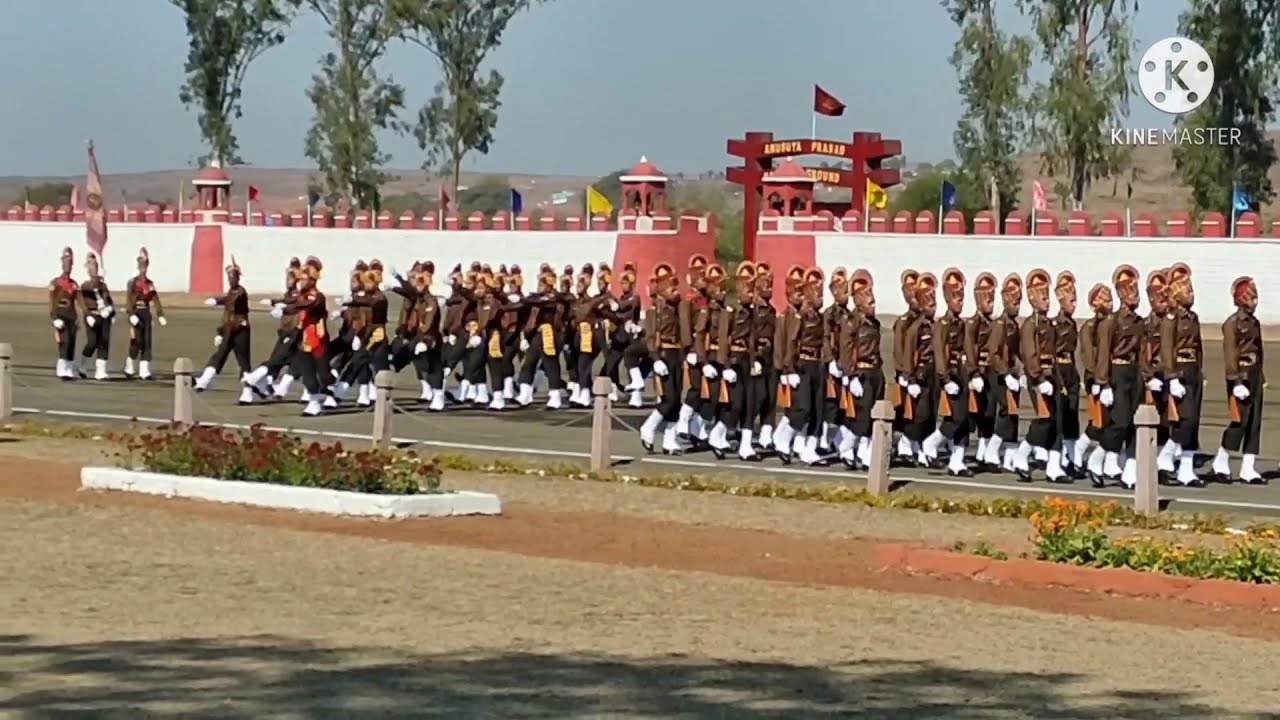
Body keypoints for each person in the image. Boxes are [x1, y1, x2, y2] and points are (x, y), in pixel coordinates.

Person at [1096, 265, 1145, 488]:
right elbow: (1104, 352)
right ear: (1121, 294)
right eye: (1129, 290)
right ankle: (1098, 458)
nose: (1135, 294)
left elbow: (1142, 351)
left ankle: (1130, 470)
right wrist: (1103, 383)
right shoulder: (1111, 322)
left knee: (1135, 423)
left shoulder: (1139, 322)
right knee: (1120, 421)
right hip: (1116, 372)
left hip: (1134, 374)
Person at [1213, 276, 1265, 484]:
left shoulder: (1255, 323)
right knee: (1239, 421)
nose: (1255, 301)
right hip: (1240, 376)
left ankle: (1248, 467)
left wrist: (1260, 375)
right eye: (1251, 297)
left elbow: (1258, 350)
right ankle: (1222, 458)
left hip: (1254, 374)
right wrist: (1235, 381)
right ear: (1241, 299)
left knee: (1254, 422)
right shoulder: (1232, 324)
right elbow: (1230, 353)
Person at [1015, 269, 1064, 482]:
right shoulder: (1030, 324)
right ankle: (1021, 454)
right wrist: (1038, 378)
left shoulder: (1047, 323)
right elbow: (1029, 352)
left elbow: (1052, 353)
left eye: (1048, 298)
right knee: (1045, 419)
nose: (1047, 302)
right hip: (1040, 379)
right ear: (1033, 300)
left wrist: (1058, 381)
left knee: (1056, 422)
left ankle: (1054, 466)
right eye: (1043, 298)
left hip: (1052, 376)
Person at [638, 263, 690, 454]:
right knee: (668, 398)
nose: (674, 289)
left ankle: (670, 439)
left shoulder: (678, 307)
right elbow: (650, 336)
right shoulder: (654, 310)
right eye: (670, 286)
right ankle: (648, 427)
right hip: (664, 354)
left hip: (677, 353)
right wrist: (655, 358)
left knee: (677, 400)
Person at [1161, 264, 1204, 487]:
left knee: (1194, 421)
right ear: (1177, 295)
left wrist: (1199, 370)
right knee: (1185, 421)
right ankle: (1166, 456)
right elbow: (1167, 348)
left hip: (1193, 372)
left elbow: (1198, 347)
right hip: (1179, 372)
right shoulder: (1171, 319)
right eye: (1188, 291)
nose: (1192, 294)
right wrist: (1172, 376)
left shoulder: (1193, 317)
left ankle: (1186, 469)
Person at [838, 269, 884, 470]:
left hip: (875, 371)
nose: (873, 305)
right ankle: (846, 448)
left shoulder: (875, 323)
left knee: (873, 413)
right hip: (860, 372)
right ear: (858, 301)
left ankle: (866, 454)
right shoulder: (851, 322)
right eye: (869, 302)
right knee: (860, 414)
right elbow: (846, 349)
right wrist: (851, 375)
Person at [931, 268, 970, 476]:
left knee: (965, 418)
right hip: (949, 375)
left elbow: (964, 349)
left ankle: (957, 461)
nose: (959, 302)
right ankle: (933, 442)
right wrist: (945, 378)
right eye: (955, 298)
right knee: (956, 416)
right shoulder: (942, 324)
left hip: (961, 373)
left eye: (961, 298)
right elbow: (939, 351)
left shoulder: (961, 324)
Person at [984, 274, 1024, 474]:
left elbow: (1017, 352)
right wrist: (1006, 374)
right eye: (1014, 302)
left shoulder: (1014, 325)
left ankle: (1009, 455)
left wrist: (1021, 371)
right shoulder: (1000, 324)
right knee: (1006, 409)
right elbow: (994, 352)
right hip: (998, 372)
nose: (1016, 306)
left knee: (1014, 413)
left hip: (1011, 372)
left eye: (1019, 303)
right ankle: (992, 449)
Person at [195, 257, 252, 393]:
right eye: (229, 277)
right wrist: (221, 332)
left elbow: (231, 302)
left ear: (237, 278)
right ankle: (203, 381)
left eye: (233, 277)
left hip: (240, 331)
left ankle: (248, 392)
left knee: (243, 361)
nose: (230, 280)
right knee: (219, 355)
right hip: (229, 329)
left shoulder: (240, 292)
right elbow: (226, 316)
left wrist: (217, 300)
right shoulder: (231, 292)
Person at [900, 273, 939, 467]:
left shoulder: (935, 326)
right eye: (929, 304)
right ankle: (906, 443)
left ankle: (923, 447)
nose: (933, 307)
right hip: (919, 374)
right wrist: (908, 377)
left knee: (931, 413)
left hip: (933, 375)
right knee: (919, 413)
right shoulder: (915, 328)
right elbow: (907, 351)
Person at [1078, 283, 1114, 487]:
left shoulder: (1110, 324)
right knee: (1099, 419)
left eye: (1109, 299)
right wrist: (1096, 380)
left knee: (1105, 420)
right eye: (1103, 300)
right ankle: (1080, 452)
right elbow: (1089, 356)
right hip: (1096, 379)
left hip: (1107, 377)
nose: (1107, 303)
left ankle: (1085, 453)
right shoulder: (1089, 328)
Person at [724, 262, 758, 460]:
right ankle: (720, 433)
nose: (749, 290)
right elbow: (724, 336)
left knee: (750, 403)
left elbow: (752, 338)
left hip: (747, 360)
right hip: (734, 359)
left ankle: (745, 445)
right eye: (745, 284)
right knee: (736, 404)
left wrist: (754, 360)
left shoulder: (752, 311)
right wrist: (726, 364)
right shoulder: (731, 309)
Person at [1050, 271, 1082, 479]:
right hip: (1058, 370)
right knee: (1058, 418)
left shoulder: (1072, 324)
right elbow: (1051, 351)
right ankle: (1055, 462)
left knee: (1072, 417)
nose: (1075, 304)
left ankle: (1070, 459)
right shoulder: (1055, 324)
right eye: (1071, 300)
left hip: (1071, 370)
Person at [965, 273, 998, 471]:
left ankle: (983, 453)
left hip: (989, 372)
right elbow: (969, 347)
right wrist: (973, 373)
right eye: (987, 298)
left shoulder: (991, 324)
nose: (991, 302)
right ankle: (956, 450)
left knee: (988, 413)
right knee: (970, 416)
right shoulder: (972, 323)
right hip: (976, 373)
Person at [821, 268, 853, 454]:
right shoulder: (829, 314)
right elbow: (826, 338)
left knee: (843, 404)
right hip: (832, 364)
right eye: (843, 291)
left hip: (845, 363)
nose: (846, 295)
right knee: (830, 403)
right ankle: (824, 439)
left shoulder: (849, 315)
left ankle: (838, 440)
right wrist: (830, 360)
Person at [891, 269, 921, 463]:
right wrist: (903, 372)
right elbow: (899, 349)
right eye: (909, 288)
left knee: (920, 412)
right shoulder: (903, 321)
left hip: (920, 372)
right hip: (906, 373)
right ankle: (903, 446)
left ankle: (913, 444)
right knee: (904, 412)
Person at [124, 248, 167, 380]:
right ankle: (129, 366)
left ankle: (144, 370)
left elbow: (155, 299)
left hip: (146, 314)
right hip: (136, 312)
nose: (143, 268)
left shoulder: (150, 284)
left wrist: (160, 314)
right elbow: (129, 298)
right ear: (138, 266)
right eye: (141, 265)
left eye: (145, 265)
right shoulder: (133, 282)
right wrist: (130, 314)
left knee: (147, 342)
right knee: (136, 340)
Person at [78, 252, 116, 380]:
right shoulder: (85, 285)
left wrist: (111, 311)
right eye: (91, 265)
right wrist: (87, 315)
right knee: (92, 342)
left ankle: (101, 371)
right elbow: (82, 300)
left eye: (95, 265)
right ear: (87, 268)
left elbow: (108, 300)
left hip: (104, 316)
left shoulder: (103, 285)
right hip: (92, 316)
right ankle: (83, 364)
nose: (94, 268)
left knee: (104, 342)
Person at [49, 246, 79, 381]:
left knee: (72, 342)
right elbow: (51, 302)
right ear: (62, 263)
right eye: (66, 262)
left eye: (70, 263)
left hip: (71, 316)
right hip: (60, 315)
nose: (68, 265)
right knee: (64, 341)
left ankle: (69, 368)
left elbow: (77, 301)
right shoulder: (56, 283)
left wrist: (78, 317)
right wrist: (54, 318)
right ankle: (61, 368)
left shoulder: (74, 284)